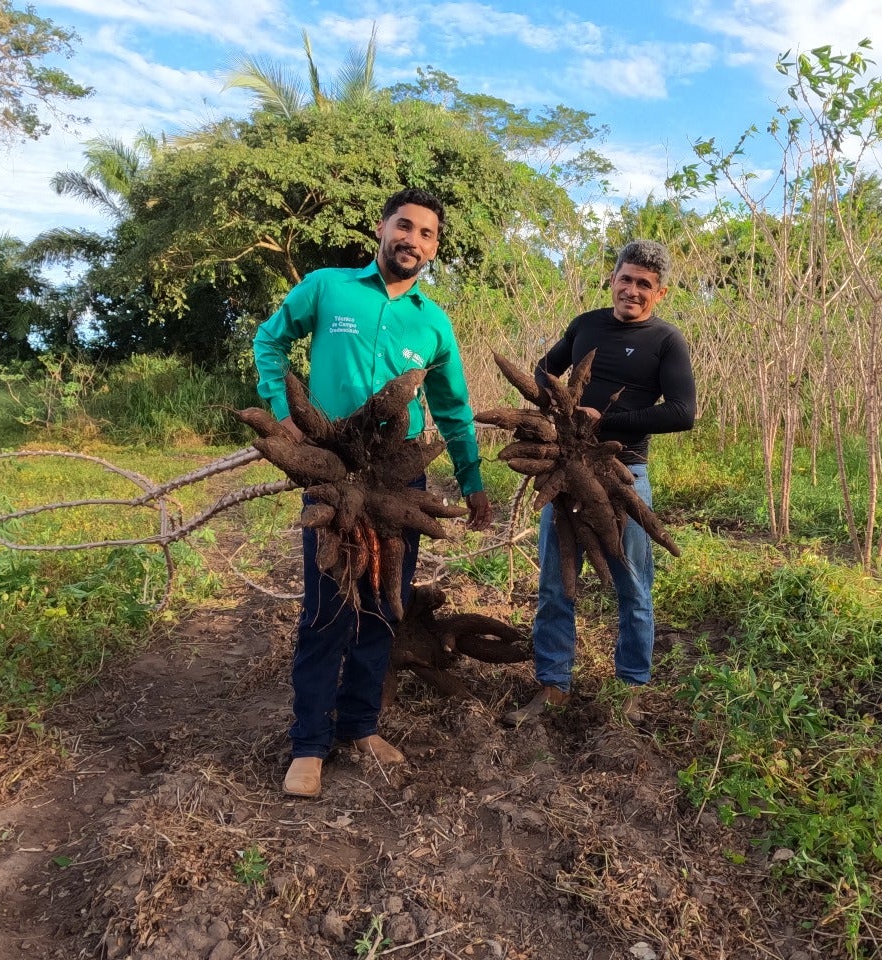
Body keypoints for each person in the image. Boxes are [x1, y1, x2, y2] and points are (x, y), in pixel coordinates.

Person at [253, 187, 493, 797]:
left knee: (385, 602)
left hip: (397, 481)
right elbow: (270, 340)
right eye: (404, 226)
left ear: (434, 249)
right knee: (327, 603)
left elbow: (454, 408)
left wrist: (472, 481)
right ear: (381, 229)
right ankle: (309, 743)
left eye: (427, 234)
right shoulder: (328, 287)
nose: (413, 240)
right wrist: (284, 414)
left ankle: (361, 726)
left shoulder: (433, 323)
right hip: (332, 474)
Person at [503, 239, 696, 727]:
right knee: (555, 582)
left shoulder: (666, 341)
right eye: (626, 279)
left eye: (644, 285)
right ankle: (553, 684)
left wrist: (605, 420)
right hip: (567, 474)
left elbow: (682, 412)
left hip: (624, 474)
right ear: (612, 279)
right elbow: (545, 370)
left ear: (661, 293)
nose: (633, 291)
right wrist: (558, 410)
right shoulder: (586, 325)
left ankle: (631, 685)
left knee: (633, 585)